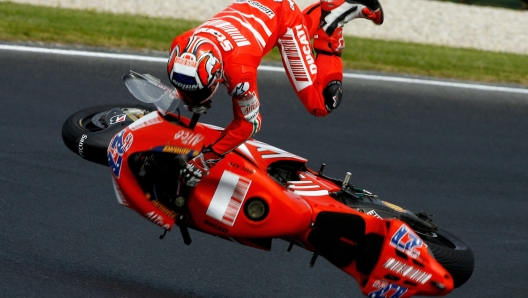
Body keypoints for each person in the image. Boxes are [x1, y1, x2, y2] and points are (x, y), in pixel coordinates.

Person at [167, 0, 384, 187]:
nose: (189, 95)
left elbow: (249, 124)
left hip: (283, 18)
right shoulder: (181, 45)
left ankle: (332, 22)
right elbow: (188, 79)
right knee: (280, 34)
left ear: (217, 73)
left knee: (321, 102)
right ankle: (321, 15)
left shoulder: (239, 71)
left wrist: (205, 161)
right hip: (258, 13)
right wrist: (193, 98)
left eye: (197, 92)